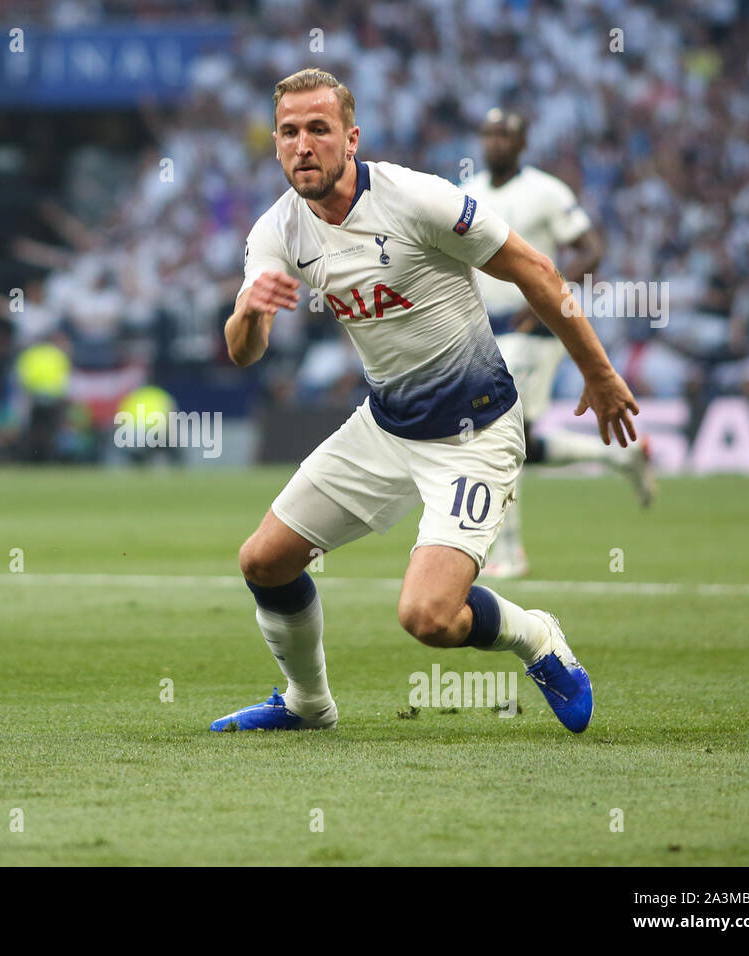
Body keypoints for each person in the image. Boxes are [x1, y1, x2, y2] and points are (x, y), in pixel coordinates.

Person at [215, 69, 642, 735]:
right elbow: (245, 350)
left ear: (350, 138)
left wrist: (599, 371)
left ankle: (537, 637)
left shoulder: (418, 200)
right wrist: (247, 312)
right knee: (263, 561)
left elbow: (536, 269)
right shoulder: (278, 232)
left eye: (319, 129)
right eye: (290, 132)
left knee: (430, 618)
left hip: (475, 430)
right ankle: (307, 704)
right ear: (275, 145)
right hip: (386, 428)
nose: (304, 145)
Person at [466, 108, 654, 578]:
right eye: (489, 135)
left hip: (535, 327)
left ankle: (509, 553)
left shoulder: (546, 191)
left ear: (523, 143)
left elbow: (592, 247)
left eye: (505, 136)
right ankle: (623, 455)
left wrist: (548, 291)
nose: (495, 143)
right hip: (488, 327)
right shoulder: (469, 194)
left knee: (495, 430)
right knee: (521, 439)